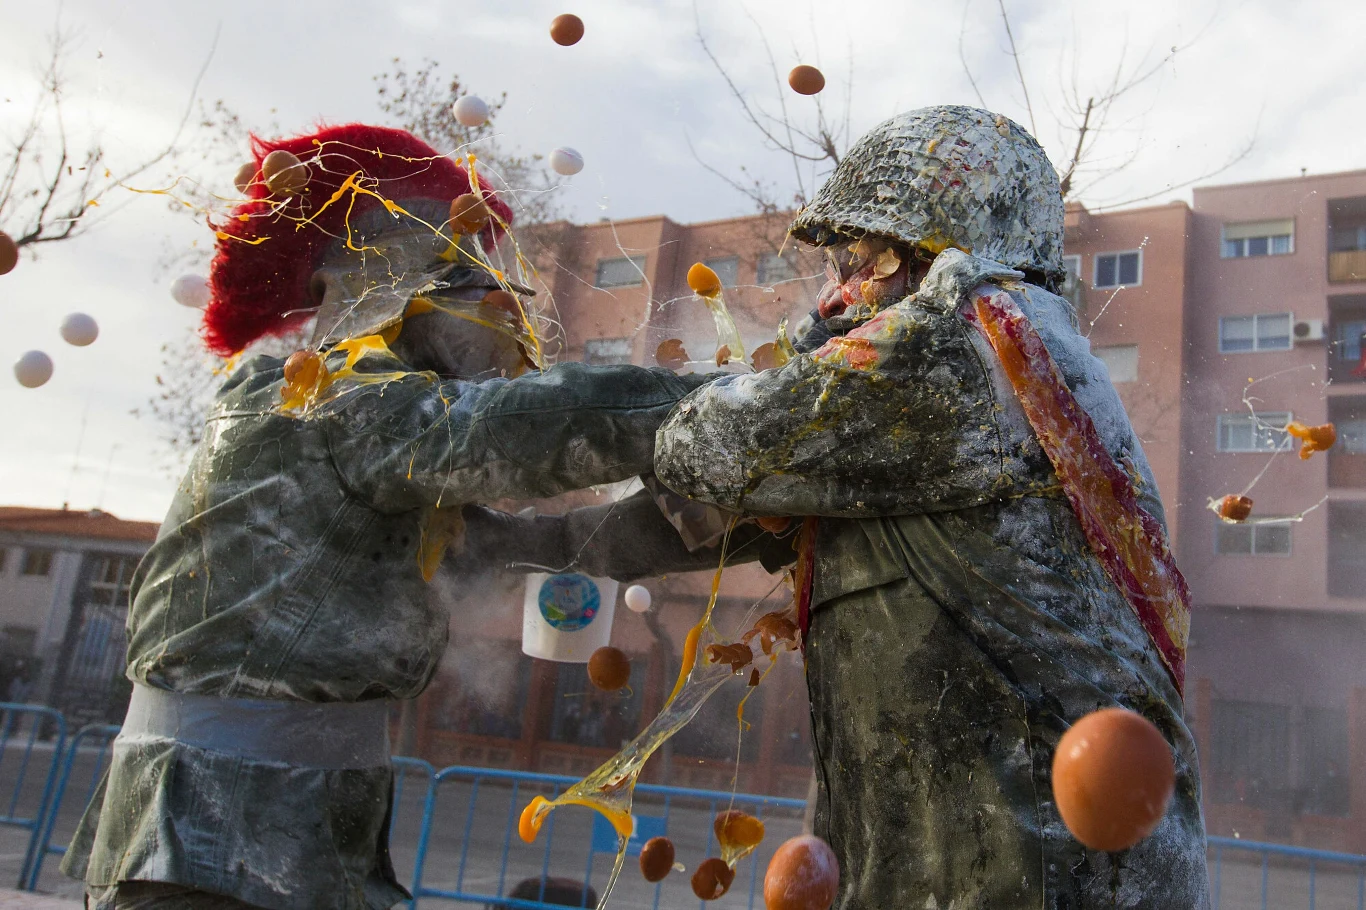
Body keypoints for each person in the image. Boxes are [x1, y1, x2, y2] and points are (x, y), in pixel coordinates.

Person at [61, 124, 779, 910]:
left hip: (300, 833)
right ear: (384, 280)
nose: (505, 305)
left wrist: (738, 523)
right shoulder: (320, 397)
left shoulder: (385, 449)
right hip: (207, 844)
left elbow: (555, 551)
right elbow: (527, 426)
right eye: (466, 277)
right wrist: (762, 404)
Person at [654, 106, 1210, 908]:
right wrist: (520, 541)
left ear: (941, 255)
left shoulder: (969, 343)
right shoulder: (979, 376)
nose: (842, 292)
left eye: (867, 260)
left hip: (1041, 881)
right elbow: (708, 507)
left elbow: (705, 443)